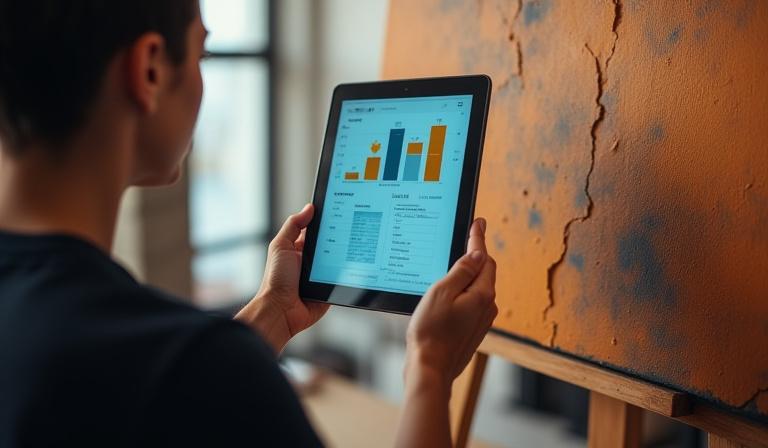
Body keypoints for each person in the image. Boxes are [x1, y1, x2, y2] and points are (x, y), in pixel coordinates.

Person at [0, 0, 497, 446]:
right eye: (201, 55)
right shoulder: (193, 365)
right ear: (149, 69)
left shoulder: (101, 348)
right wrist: (430, 370)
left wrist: (272, 312)